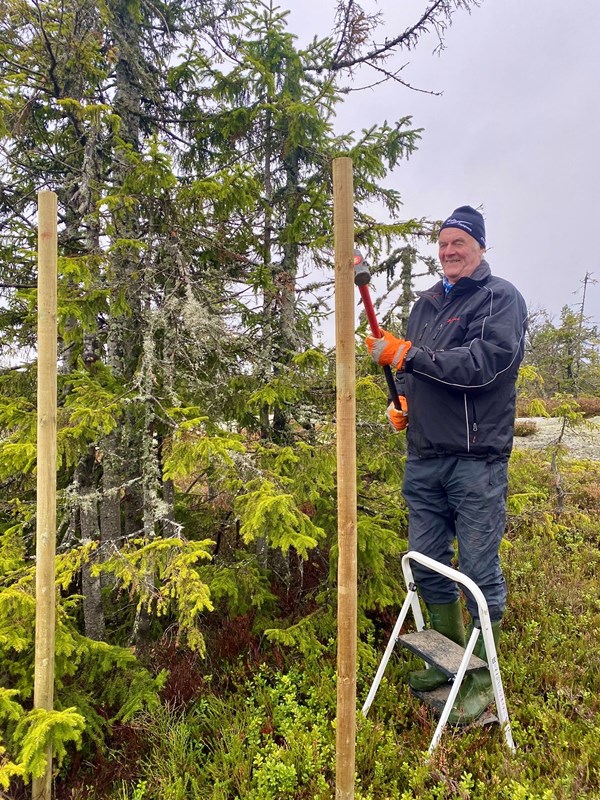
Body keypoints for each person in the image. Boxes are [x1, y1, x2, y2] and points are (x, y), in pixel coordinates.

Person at [366, 205, 528, 724]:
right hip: (426, 459)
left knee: (478, 573)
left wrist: (407, 356)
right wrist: (404, 403)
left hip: (476, 461)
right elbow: (419, 373)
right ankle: (447, 664)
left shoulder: (500, 299)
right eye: (442, 244)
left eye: (459, 242)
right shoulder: (427, 304)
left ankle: (480, 682)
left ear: (480, 246)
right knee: (427, 564)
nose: (448, 251)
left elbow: (485, 368)